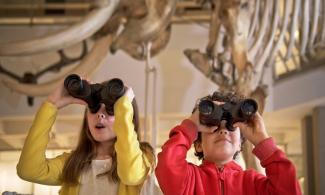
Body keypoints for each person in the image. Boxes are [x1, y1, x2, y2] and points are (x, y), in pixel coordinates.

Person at [16, 77, 155, 195]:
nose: (100, 115)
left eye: (110, 110)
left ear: (127, 115)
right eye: (94, 108)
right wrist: (51, 104)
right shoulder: (72, 163)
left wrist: (123, 105)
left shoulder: (143, 156)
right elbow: (28, 171)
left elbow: (131, 175)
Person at [155, 91, 302, 195]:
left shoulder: (253, 183)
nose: (223, 131)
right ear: (198, 144)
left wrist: (262, 140)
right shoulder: (189, 180)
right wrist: (191, 126)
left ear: (239, 144)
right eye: (214, 127)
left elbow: (289, 190)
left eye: (231, 126)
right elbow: (168, 165)